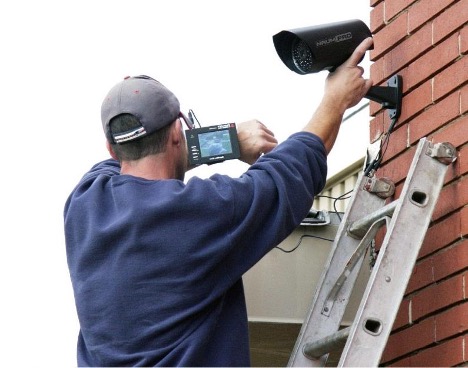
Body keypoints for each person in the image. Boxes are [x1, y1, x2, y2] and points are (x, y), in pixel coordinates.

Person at [64, 37, 373, 366]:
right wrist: (335, 99)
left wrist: (226, 141)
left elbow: (137, 161)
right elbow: (291, 172)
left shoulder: (83, 204)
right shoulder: (199, 213)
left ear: (112, 150)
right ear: (175, 133)